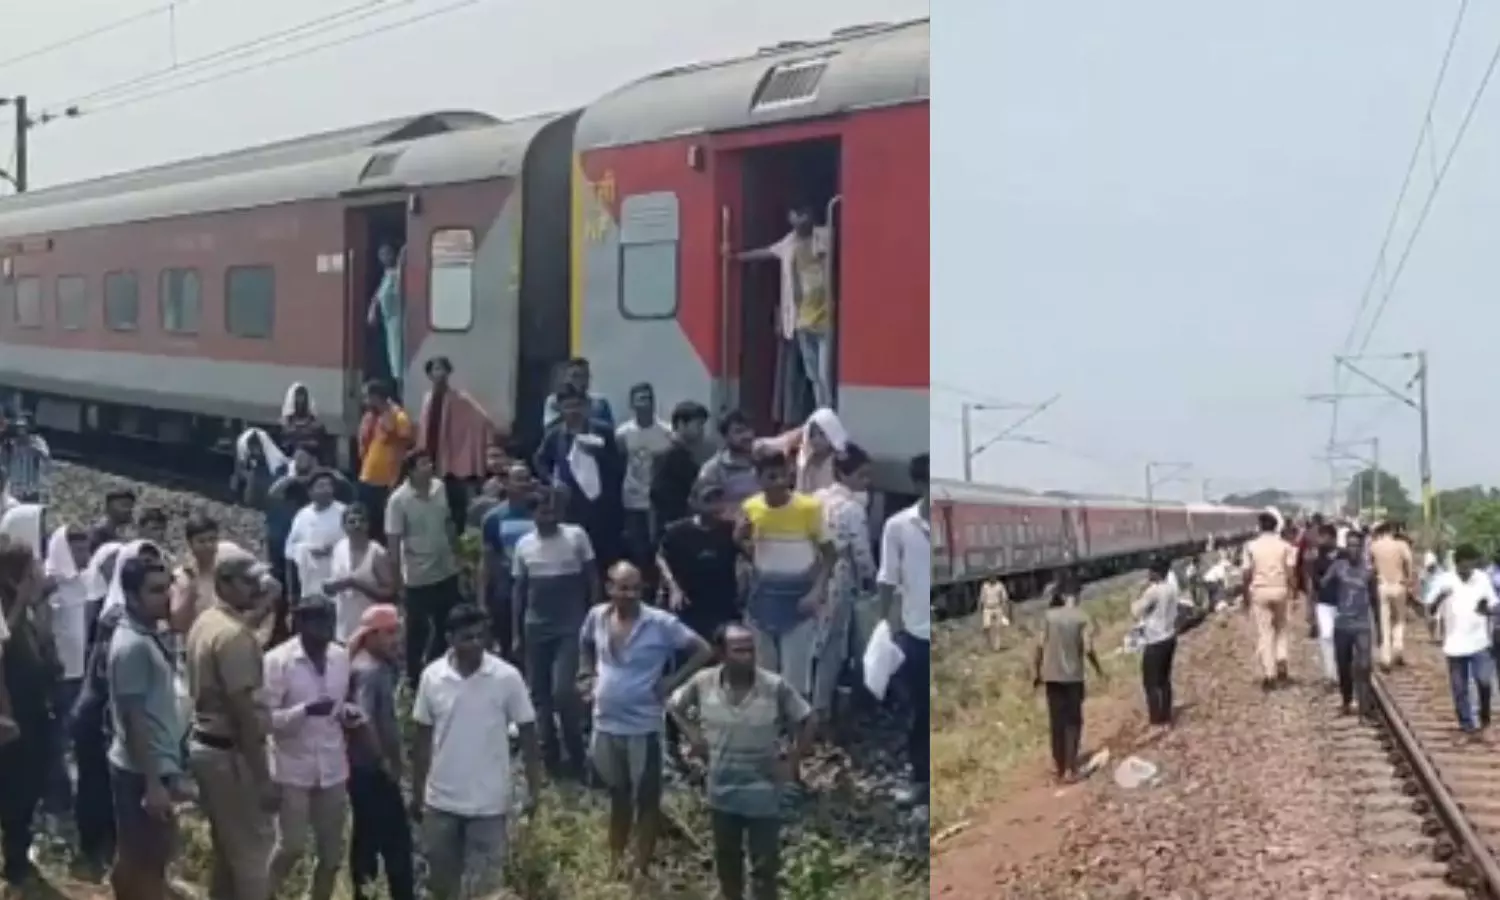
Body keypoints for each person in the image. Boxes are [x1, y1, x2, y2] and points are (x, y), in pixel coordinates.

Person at [579, 561, 714, 876]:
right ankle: (615, 861)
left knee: (647, 797)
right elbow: (585, 644)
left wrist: (672, 681)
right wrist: (586, 675)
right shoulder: (597, 616)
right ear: (609, 587)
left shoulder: (660, 623)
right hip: (605, 720)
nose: (629, 594)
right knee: (617, 794)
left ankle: (640, 867)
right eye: (623, 588)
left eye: (636, 589)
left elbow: (703, 650)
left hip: (643, 723)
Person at [668, 622, 815, 900]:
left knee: (764, 867)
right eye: (739, 650)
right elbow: (675, 706)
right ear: (721, 654)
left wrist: (793, 760)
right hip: (721, 790)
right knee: (727, 862)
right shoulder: (703, 683)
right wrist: (695, 738)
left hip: (763, 792)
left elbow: (807, 719)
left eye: (750, 649)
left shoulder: (774, 686)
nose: (747, 656)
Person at [411, 603, 544, 900]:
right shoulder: (432, 677)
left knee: (485, 891)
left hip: (489, 805)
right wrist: (418, 792)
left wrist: (535, 788)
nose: (475, 644)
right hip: (441, 803)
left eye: (480, 636)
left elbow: (528, 733)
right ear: (450, 638)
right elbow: (422, 739)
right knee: (443, 888)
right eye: (467, 637)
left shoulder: (507, 677)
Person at [185, 551, 279, 900]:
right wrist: (262, 778)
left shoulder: (208, 620)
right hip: (230, 753)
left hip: (204, 746)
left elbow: (239, 631)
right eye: (248, 582)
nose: (257, 588)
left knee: (227, 849)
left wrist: (265, 606)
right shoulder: (235, 637)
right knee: (256, 855)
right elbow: (243, 714)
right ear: (224, 584)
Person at [264, 595, 356, 900]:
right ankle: (263, 893)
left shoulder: (341, 657)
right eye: (317, 621)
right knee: (291, 847)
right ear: (300, 624)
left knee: (331, 855)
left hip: (332, 767)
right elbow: (265, 720)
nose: (325, 628)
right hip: (293, 768)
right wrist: (303, 711)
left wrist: (346, 713)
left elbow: (338, 707)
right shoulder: (278, 661)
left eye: (329, 620)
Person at [105, 555, 181, 900]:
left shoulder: (145, 634)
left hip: (148, 765)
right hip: (141, 769)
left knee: (138, 855)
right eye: (155, 591)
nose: (165, 596)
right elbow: (133, 719)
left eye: (167, 588)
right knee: (150, 859)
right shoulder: (132, 645)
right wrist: (153, 784)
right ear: (132, 596)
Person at [512, 486, 597, 777]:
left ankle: (576, 754)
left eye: (551, 510)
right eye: (541, 510)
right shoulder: (524, 545)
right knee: (539, 695)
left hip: (570, 624)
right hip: (536, 625)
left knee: (563, 691)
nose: (547, 515)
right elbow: (520, 591)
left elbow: (591, 579)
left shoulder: (576, 536)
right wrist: (516, 632)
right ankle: (549, 759)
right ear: (532, 513)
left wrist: (594, 617)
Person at [738, 450, 833, 701]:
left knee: (795, 682)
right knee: (764, 679)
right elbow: (748, 549)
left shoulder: (808, 508)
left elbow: (830, 554)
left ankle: (797, 736)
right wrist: (739, 537)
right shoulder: (751, 507)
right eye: (771, 477)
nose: (779, 482)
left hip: (799, 602)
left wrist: (817, 591)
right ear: (758, 478)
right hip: (762, 601)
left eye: (783, 475)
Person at [735, 205, 833, 409]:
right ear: (790, 217)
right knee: (812, 372)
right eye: (797, 214)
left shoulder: (825, 235)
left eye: (805, 214)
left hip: (826, 316)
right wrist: (736, 257)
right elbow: (767, 252)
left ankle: (828, 409)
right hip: (802, 318)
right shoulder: (789, 243)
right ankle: (821, 409)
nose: (801, 219)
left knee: (825, 372)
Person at [346, 604, 414, 900]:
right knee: (392, 842)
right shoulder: (369, 670)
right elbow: (364, 720)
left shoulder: (374, 665)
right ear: (370, 635)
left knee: (369, 838)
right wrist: (385, 761)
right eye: (389, 632)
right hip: (370, 772)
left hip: (367, 770)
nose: (395, 639)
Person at [877, 453, 932, 808]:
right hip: (916, 634)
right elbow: (887, 579)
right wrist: (886, 626)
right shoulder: (898, 526)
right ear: (918, 485)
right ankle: (921, 780)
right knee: (918, 713)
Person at [386, 449, 462, 689]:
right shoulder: (399, 500)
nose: (429, 467)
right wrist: (397, 578)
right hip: (417, 575)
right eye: (423, 464)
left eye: (430, 462)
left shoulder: (440, 489)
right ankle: (413, 678)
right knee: (416, 630)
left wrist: (457, 554)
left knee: (446, 624)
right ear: (411, 470)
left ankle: (439, 667)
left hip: (446, 569)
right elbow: (394, 541)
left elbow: (448, 523)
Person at [812, 443, 876, 729]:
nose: (866, 483)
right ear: (844, 474)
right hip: (839, 578)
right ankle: (822, 708)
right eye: (862, 476)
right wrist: (872, 582)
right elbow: (861, 555)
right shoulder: (852, 509)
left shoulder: (815, 499)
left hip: (808, 573)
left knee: (811, 642)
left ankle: (804, 703)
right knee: (832, 646)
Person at [0, 541, 51, 888]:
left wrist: (38, 603)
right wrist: (20, 602)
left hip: (33, 711)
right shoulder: (7, 606)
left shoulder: (30, 604)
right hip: (10, 716)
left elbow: (45, 646)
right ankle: (15, 864)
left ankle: (19, 853)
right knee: (14, 790)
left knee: (27, 788)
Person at [534, 383, 626, 569]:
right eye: (568, 406)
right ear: (560, 409)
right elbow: (539, 460)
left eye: (578, 405)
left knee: (605, 558)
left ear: (586, 407)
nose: (573, 411)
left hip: (603, 508)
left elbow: (619, 465)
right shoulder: (555, 434)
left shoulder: (603, 431)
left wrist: (598, 454)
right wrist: (553, 481)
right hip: (571, 507)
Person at [1032, 570, 1104, 784]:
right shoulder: (1082, 617)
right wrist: (1099, 669)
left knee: (1056, 722)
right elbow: (1089, 648)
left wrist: (1036, 673)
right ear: (1070, 595)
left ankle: (1059, 766)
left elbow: (1038, 647)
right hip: (1073, 677)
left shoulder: (1048, 617)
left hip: (1051, 677)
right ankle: (1071, 768)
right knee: (1073, 722)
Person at [42, 523, 92, 820]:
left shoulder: (82, 581)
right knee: (56, 740)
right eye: (79, 548)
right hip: (59, 676)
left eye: (87, 547)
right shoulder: (51, 584)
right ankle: (54, 803)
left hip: (78, 674)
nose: (86, 554)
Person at [417, 356, 498, 533]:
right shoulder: (428, 398)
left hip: (451, 461)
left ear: (448, 372)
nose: (439, 373)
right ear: (429, 375)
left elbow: (482, 420)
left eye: (442, 369)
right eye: (435, 369)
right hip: (430, 457)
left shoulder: (459, 398)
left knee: (454, 502)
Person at [1426, 544, 1498, 735]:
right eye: (1469, 563)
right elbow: (1430, 608)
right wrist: (1441, 597)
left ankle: (1484, 715)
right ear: (1460, 562)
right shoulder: (1444, 580)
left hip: (1479, 641)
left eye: (1474, 564)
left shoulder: (1481, 579)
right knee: (1459, 688)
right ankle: (1467, 724)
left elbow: (1492, 604)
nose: (1472, 567)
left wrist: (1487, 610)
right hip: (1454, 644)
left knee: (1484, 681)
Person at [478, 462, 537, 659]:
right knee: (507, 644)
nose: (524, 484)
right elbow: (487, 560)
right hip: (505, 589)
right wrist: (483, 599)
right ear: (507, 484)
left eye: (527, 479)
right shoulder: (493, 518)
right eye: (518, 479)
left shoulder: (540, 514)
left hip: (534, 589)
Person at [616, 382, 672, 579]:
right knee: (637, 548)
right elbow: (620, 465)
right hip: (632, 499)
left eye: (648, 399)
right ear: (632, 404)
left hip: (657, 501)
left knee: (657, 546)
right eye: (640, 399)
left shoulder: (666, 432)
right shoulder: (623, 434)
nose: (645, 404)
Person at [1321, 529, 1377, 719]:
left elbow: (1374, 599)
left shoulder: (1369, 571)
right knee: (1343, 666)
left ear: (1362, 548)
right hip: (1342, 624)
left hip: (1362, 625)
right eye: (1350, 545)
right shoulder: (1338, 566)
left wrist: (1379, 628)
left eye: (1356, 546)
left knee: (1364, 664)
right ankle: (1347, 699)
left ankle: (1364, 703)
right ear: (1346, 546)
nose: (1353, 549)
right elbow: (1323, 583)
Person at [1241, 511, 1298, 692]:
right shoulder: (1285, 546)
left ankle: (1269, 674)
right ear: (1276, 527)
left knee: (1265, 633)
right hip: (1280, 589)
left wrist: (1245, 595)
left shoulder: (1251, 546)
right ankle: (1281, 659)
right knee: (1281, 629)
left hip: (1260, 591)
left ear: (1260, 527)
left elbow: (1246, 573)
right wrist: (1294, 592)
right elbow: (1290, 572)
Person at [326, 504, 394, 643]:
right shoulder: (339, 548)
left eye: (361, 521)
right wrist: (330, 587)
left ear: (368, 525)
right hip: (344, 629)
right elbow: (335, 584)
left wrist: (357, 584)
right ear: (344, 526)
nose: (357, 525)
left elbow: (389, 592)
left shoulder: (376, 553)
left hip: (371, 631)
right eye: (352, 521)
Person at [358, 378, 415, 544]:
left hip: (387, 480)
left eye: (368, 397)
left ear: (377, 397)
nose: (365, 401)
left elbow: (406, 441)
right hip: (368, 476)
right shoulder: (372, 417)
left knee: (385, 525)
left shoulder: (399, 417)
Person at [285, 470, 348, 605]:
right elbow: (290, 550)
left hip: (337, 581)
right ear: (310, 492)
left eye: (329, 486)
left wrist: (333, 549)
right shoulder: (302, 515)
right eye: (321, 486)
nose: (326, 490)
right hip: (309, 584)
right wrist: (307, 549)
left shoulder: (343, 512)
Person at [1132, 558, 1179, 728]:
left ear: (1155, 573)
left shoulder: (1152, 592)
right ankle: (1166, 716)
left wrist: (1138, 592)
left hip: (1155, 640)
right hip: (1170, 637)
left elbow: (1136, 612)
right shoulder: (1171, 589)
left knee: (1150, 682)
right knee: (1164, 680)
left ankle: (1156, 719)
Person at [650, 400, 711, 528]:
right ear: (681, 424)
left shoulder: (688, 453)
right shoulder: (671, 456)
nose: (701, 431)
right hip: (674, 526)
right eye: (698, 425)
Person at [1370, 521, 1415, 670]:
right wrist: (1408, 579)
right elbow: (1409, 562)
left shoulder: (1375, 545)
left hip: (1382, 585)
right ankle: (1398, 647)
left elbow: (1371, 566)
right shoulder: (1401, 545)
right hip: (1399, 584)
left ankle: (1386, 656)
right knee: (1399, 619)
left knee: (1384, 621)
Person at [698, 411, 763, 508]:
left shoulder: (764, 460)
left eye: (749, 430)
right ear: (725, 436)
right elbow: (707, 506)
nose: (747, 435)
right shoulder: (714, 469)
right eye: (739, 431)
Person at [1304, 523, 1341, 686]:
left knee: (1341, 638)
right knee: (1326, 636)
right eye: (1320, 537)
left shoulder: (1344, 556)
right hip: (1324, 604)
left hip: (1343, 603)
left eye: (1323, 537)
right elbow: (1314, 583)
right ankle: (1330, 673)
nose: (1320, 540)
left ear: (1333, 538)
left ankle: (1341, 671)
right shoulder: (1316, 559)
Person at [367, 243, 406, 393]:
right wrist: (372, 308)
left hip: (398, 321)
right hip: (389, 322)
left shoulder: (398, 273)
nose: (384, 257)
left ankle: (402, 392)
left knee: (398, 360)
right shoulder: (387, 274)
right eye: (381, 254)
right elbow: (379, 294)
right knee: (393, 359)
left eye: (387, 253)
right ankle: (398, 389)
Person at [542, 357, 615, 432]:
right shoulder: (554, 401)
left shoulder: (600, 402)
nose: (581, 380)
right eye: (576, 376)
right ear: (568, 378)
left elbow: (609, 428)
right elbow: (549, 426)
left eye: (585, 375)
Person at [0, 416, 51, 504]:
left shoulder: (37, 441)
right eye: (18, 428)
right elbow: (3, 464)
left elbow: (45, 456)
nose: (21, 431)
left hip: (31, 490)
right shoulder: (10, 444)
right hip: (14, 491)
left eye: (23, 428)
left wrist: (29, 441)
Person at [280, 383, 327, 452]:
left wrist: (303, 445)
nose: (300, 400)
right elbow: (283, 446)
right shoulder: (286, 424)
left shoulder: (316, 425)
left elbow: (320, 445)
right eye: (298, 396)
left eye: (302, 396)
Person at [87, 488, 136, 553]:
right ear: (109, 507)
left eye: (131, 506)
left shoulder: (121, 531)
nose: (129, 510)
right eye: (124, 505)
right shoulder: (98, 532)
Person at [979, 576, 1012, 651]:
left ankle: (997, 646)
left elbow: (1004, 598)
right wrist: (980, 608)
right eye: (991, 577)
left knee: (998, 628)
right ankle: (989, 643)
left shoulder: (1000, 586)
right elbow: (982, 598)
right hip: (987, 607)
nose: (992, 579)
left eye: (993, 577)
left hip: (997, 607)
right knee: (986, 626)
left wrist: (1005, 609)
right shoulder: (985, 586)